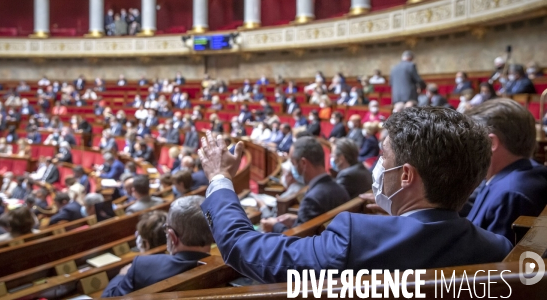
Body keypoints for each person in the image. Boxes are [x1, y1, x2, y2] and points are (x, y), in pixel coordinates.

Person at [197, 106, 513, 284]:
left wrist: (220, 178)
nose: (377, 165)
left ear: (406, 176)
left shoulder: (356, 236)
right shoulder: (498, 248)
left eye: (383, 157)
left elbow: (242, 247)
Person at [464, 99, 547, 243]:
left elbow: (496, 261)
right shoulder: (526, 171)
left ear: (491, 143)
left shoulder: (510, 195)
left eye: (470, 142)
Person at [102, 196, 213, 297]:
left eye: (166, 228)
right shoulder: (225, 261)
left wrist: (121, 276)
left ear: (172, 236)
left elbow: (108, 298)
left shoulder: (142, 266)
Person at [260, 137, 350, 233]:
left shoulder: (312, 200)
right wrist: (297, 219)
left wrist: (275, 226)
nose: (293, 168)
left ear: (303, 163)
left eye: (293, 163)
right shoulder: (340, 190)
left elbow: (297, 242)